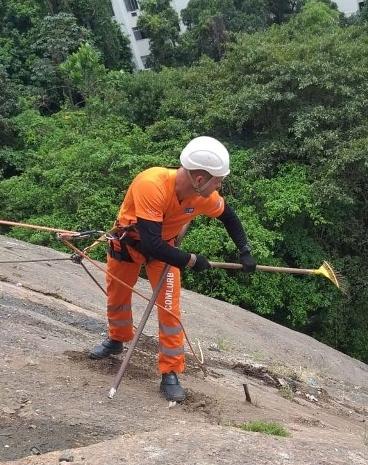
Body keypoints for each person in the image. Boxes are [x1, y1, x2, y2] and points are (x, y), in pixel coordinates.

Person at [89, 136, 256, 403]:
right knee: (118, 298)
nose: (220, 185)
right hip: (131, 243)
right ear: (200, 179)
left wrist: (244, 250)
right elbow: (150, 243)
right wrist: (191, 260)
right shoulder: (151, 184)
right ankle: (116, 340)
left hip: (164, 249)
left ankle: (170, 372)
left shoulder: (203, 197)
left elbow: (229, 216)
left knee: (169, 310)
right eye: (218, 180)